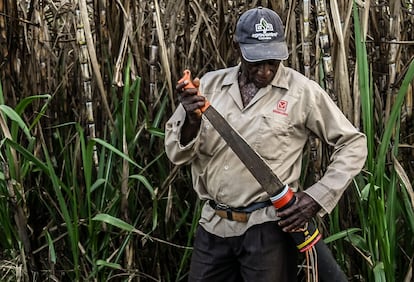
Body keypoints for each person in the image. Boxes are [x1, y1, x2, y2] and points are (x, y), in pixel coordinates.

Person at [165, 6, 367, 282]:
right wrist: (191, 120)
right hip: (213, 227)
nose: (265, 71)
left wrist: (316, 198)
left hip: (268, 229)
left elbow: (353, 143)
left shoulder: (301, 91)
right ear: (238, 47)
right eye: (256, 62)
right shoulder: (208, 87)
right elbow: (176, 153)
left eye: (273, 61)